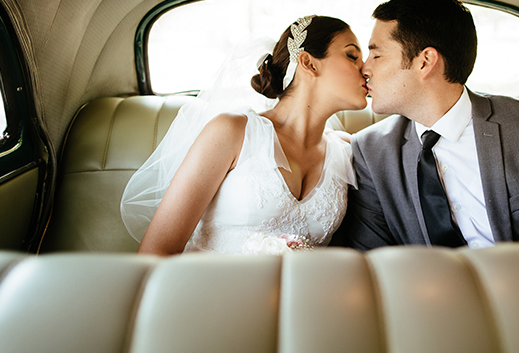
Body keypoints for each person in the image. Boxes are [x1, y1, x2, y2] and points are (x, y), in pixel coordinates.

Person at [331, 0, 519, 249]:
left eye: (376, 54)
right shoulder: (370, 152)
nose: (365, 68)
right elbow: (372, 261)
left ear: (425, 62)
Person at [121, 15, 368, 255]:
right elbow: (157, 251)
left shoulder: (347, 152)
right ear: (309, 63)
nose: (365, 69)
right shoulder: (232, 133)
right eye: (352, 56)